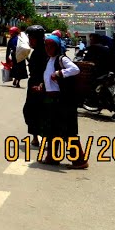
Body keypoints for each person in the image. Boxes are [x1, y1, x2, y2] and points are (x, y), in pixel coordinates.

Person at [40, 33, 87, 168]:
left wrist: (60, 73)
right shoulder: (49, 60)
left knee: (68, 130)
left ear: (57, 47)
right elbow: (49, 78)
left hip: (62, 100)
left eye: (51, 46)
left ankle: (79, 161)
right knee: (53, 130)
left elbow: (75, 69)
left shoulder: (61, 59)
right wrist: (43, 85)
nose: (48, 48)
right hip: (52, 99)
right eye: (46, 45)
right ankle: (52, 158)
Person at [23, 25, 48, 146]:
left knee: (37, 112)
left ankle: (41, 137)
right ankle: (35, 137)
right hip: (34, 84)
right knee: (30, 111)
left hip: (41, 86)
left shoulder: (45, 52)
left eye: (31, 38)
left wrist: (41, 84)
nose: (30, 41)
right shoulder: (36, 51)